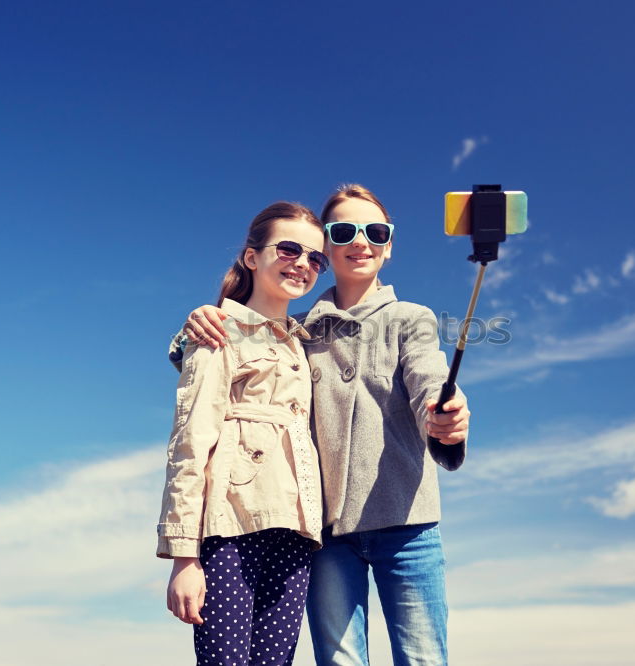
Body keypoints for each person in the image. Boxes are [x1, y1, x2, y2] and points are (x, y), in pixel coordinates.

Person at [176, 184, 470, 666]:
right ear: (327, 247)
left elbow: (430, 383)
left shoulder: (411, 319)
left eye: (376, 231)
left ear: (389, 245)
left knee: (422, 659)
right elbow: (230, 353)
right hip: (326, 533)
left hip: (409, 523)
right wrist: (195, 323)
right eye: (344, 231)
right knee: (340, 661)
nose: (361, 241)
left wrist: (449, 415)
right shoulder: (299, 327)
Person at [157, 201, 331, 666]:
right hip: (229, 532)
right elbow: (189, 445)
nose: (304, 264)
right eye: (290, 249)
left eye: (316, 258)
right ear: (251, 257)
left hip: (297, 534)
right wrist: (183, 558)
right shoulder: (217, 331)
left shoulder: (306, 342)